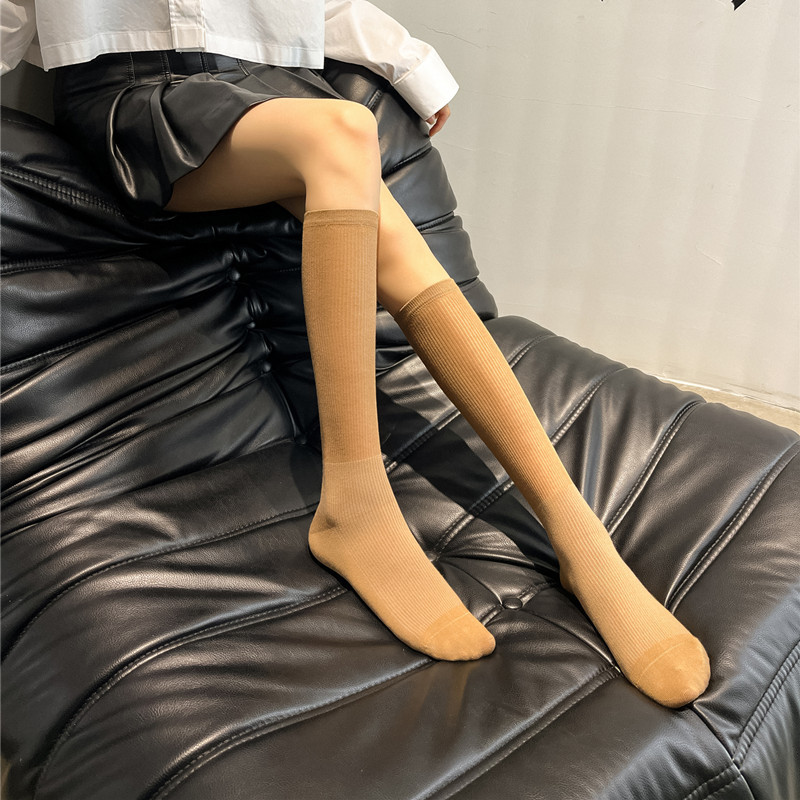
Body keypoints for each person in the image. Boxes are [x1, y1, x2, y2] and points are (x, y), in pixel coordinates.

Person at [1, 0, 710, 707]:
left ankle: (577, 536)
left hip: (264, 83)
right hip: (136, 102)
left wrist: (407, 63)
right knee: (343, 130)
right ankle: (356, 502)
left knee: (384, 215)